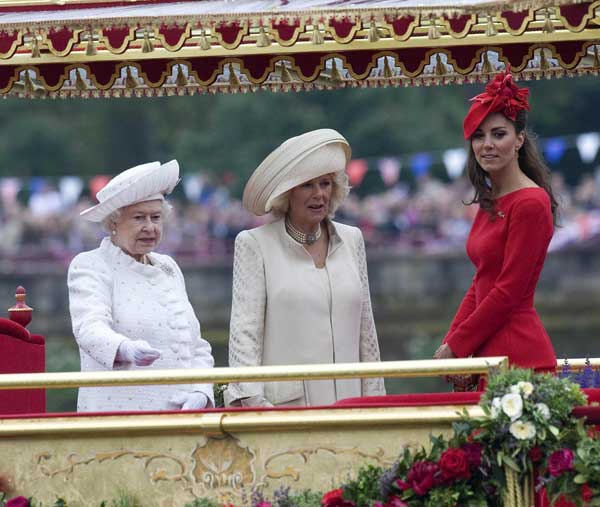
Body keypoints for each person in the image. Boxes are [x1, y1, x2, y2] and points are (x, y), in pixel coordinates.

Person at [225, 128, 385, 407]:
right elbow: (244, 332)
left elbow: (366, 330)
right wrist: (251, 400)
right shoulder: (254, 244)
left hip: (353, 406)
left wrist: (377, 401)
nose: (319, 194)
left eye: (325, 184)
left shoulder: (352, 239)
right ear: (287, 194)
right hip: (287, 410)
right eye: (307, 185)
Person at [433, 68, 558, 385]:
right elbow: (481, 283)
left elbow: (508, 291)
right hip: (489, 352)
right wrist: (451, 345)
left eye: (498, 134)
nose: (486, 144)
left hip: (520, 358)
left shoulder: (530, 202)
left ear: (518, 140)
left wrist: (458, 346)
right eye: (478, 135)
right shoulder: (491, 200)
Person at [67, 160, 215, 412]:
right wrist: (125, 348)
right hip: (121, 419)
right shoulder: (90, 264)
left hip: (181, 420)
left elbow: (196, 344)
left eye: (156, 218)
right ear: (113, 222)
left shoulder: (168, 267)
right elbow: (88, 328)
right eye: (139, 218)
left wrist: (202, 390)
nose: (150, 227)